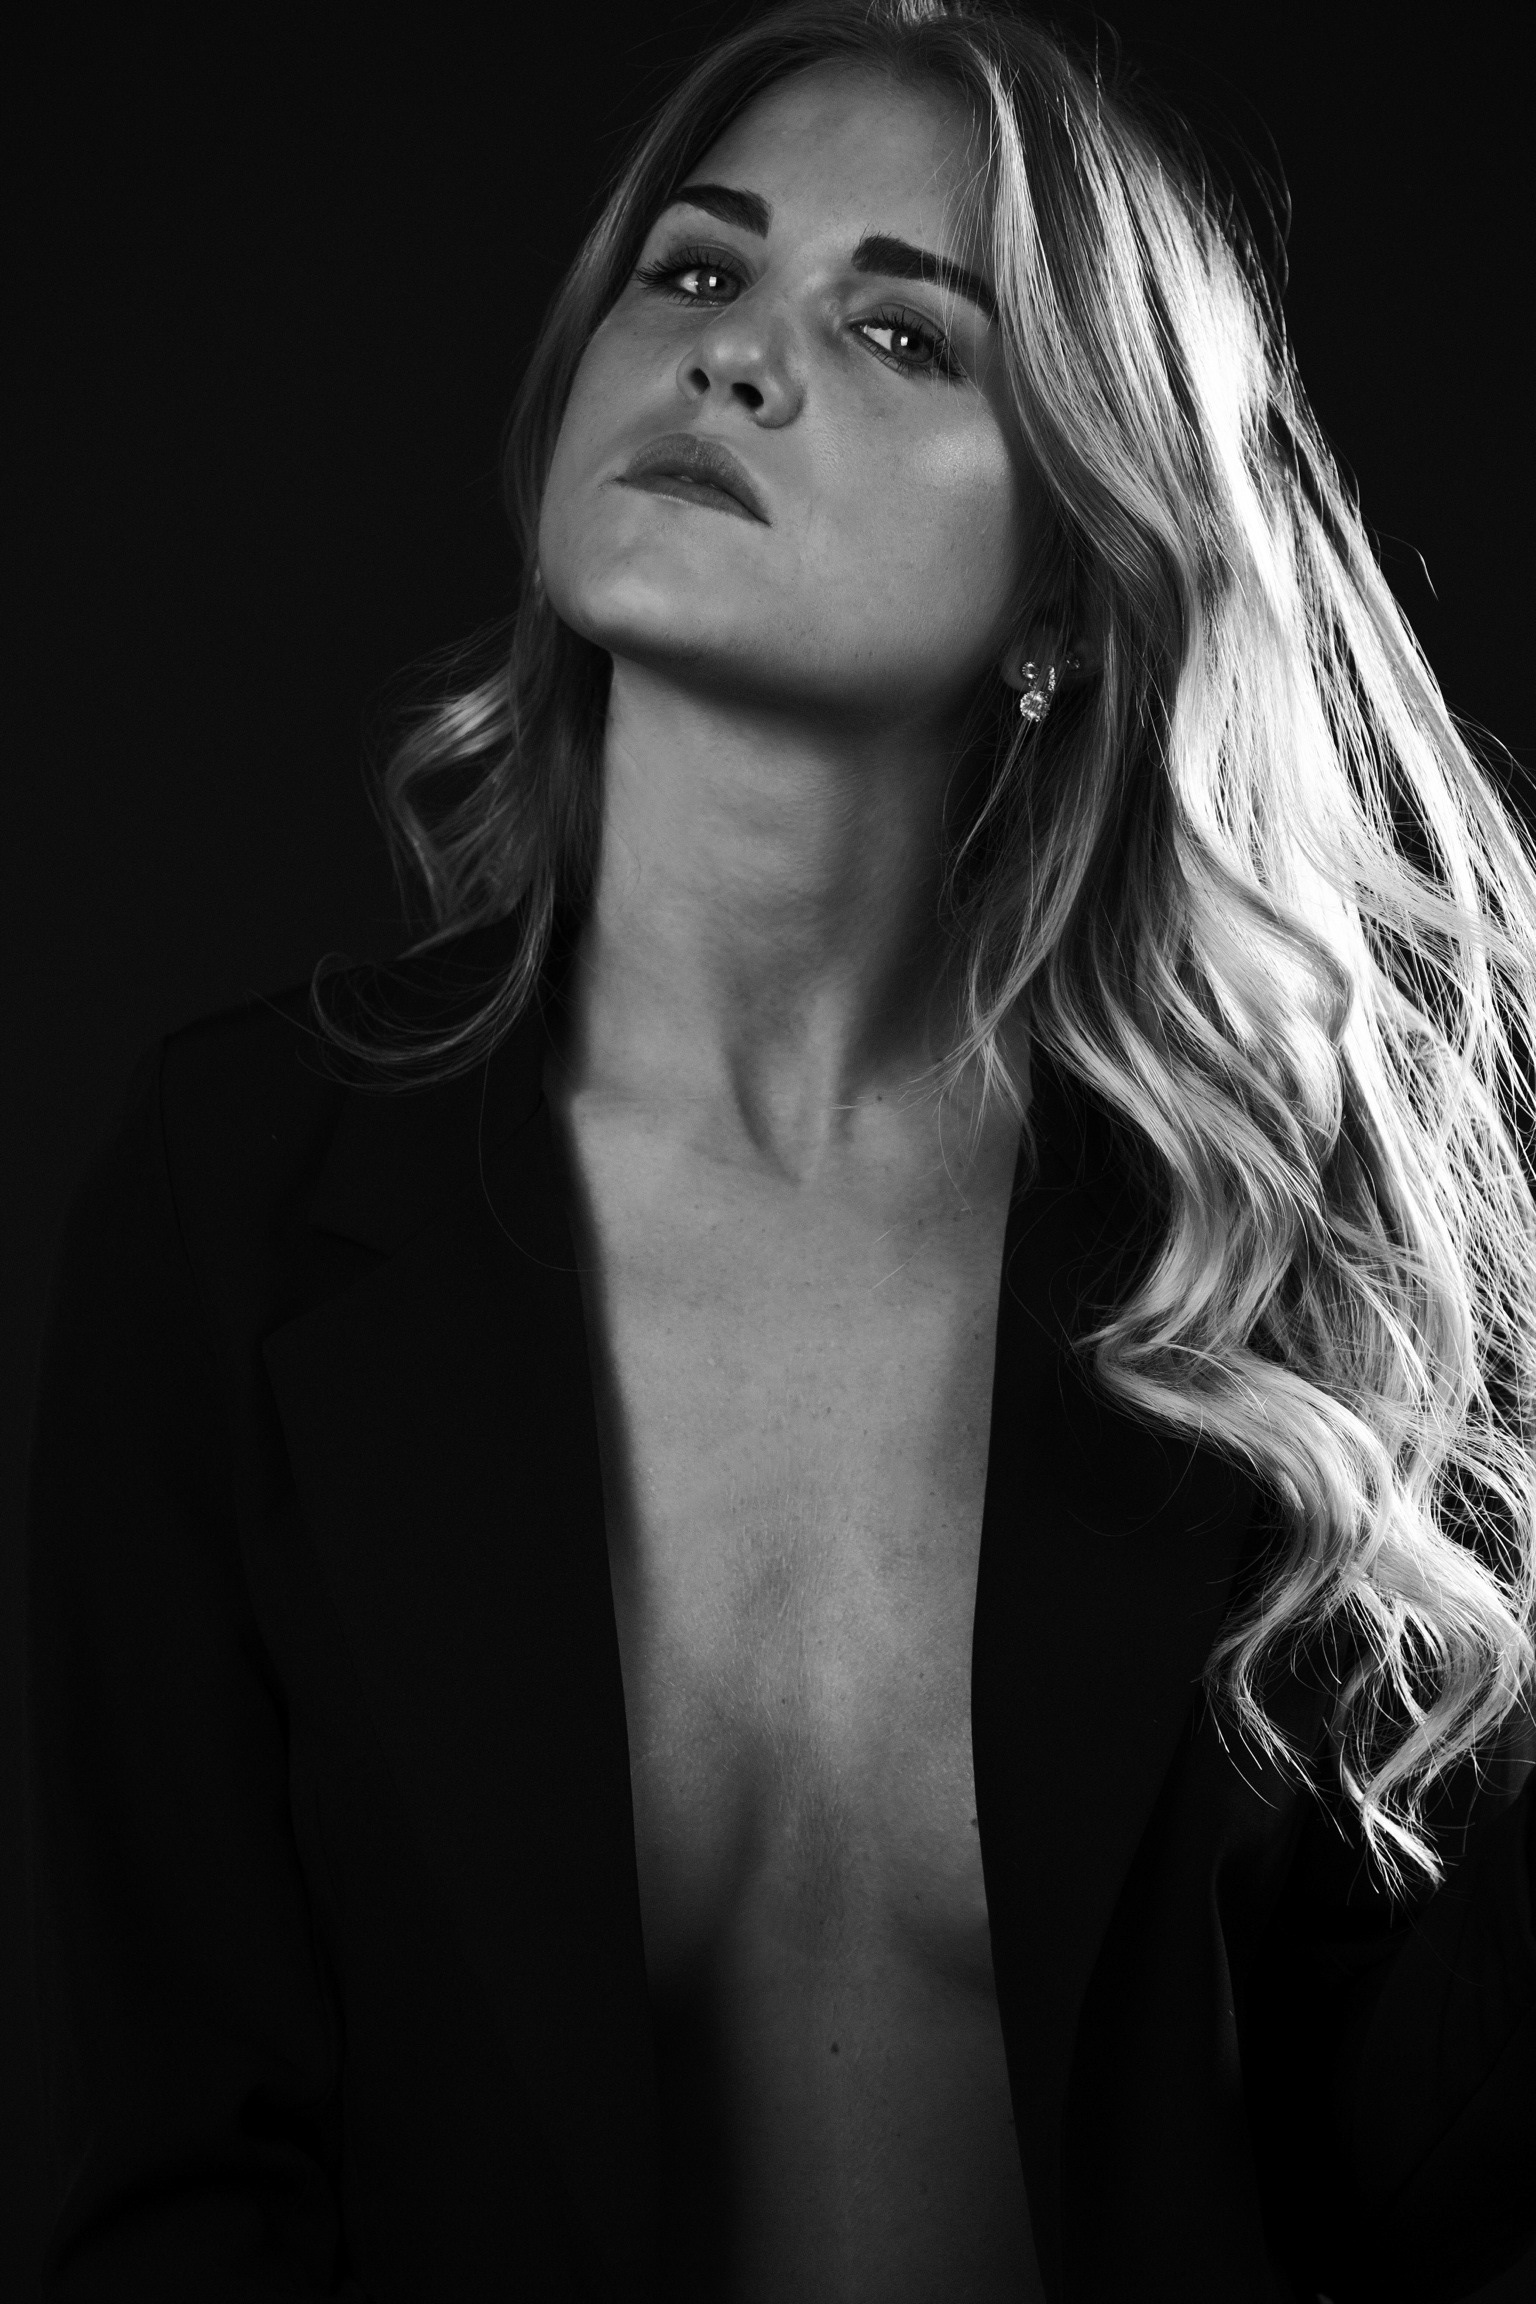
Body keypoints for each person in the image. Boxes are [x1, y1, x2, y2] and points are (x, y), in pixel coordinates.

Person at [23, 1, 1536, 2298]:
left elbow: (1452, 2184)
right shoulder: (239, 1194)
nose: (735, 355)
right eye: (699, 269)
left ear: (1067, 581)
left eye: (901, 330)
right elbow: (159, 2164)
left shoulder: (1255, 1257)